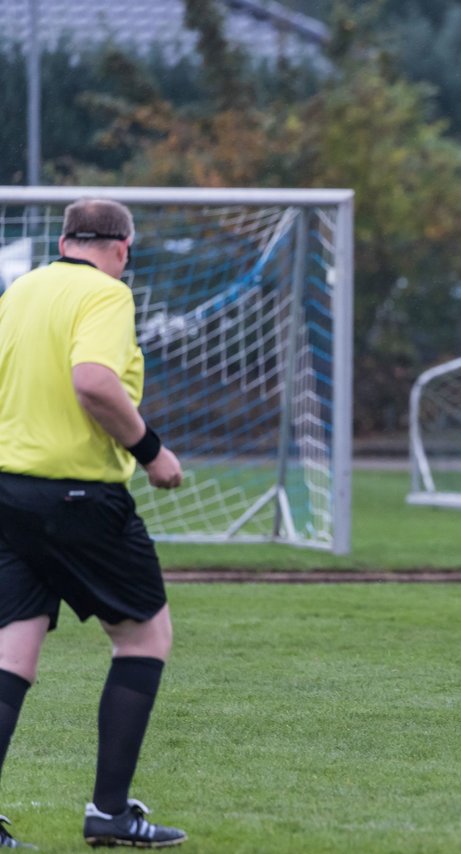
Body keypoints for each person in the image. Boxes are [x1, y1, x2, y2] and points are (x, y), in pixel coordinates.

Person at [0, 199, 188, 849]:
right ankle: (109, 813)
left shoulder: (22, 290)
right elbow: (94, 382)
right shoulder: (105, 295)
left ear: (61, 240)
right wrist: (152, 451)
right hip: (80, 497)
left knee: (12, 654)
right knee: (144, 638)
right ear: (124, 247)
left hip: (7, 494)